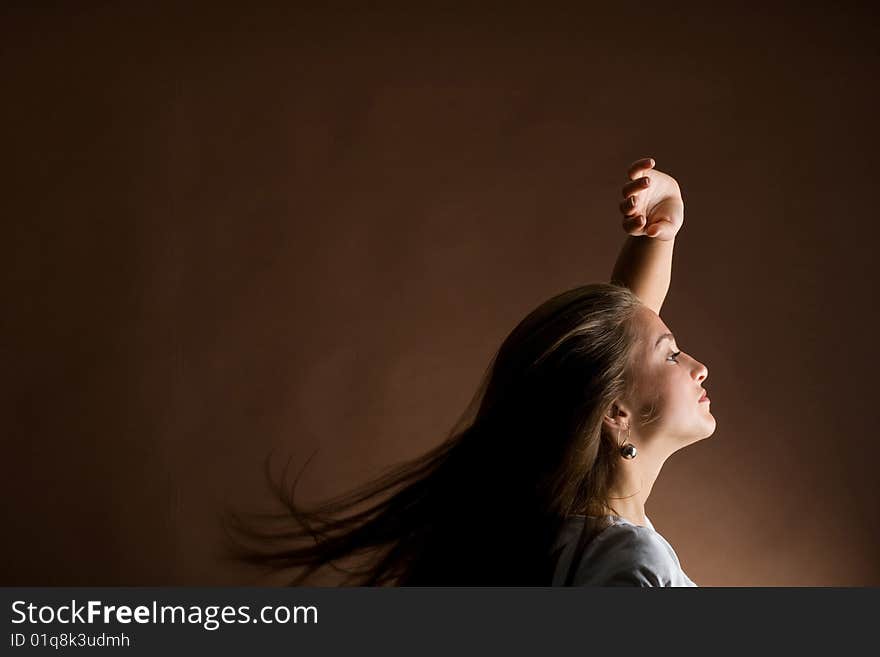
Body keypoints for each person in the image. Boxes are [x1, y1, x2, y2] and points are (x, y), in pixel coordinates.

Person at [223, 157, 715, 587]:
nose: (698, 368)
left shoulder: (556, 533)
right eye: (673, 355)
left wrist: (661, 234)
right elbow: (618, 353)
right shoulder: (630, 563)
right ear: (613, 410)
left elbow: (616, 349)